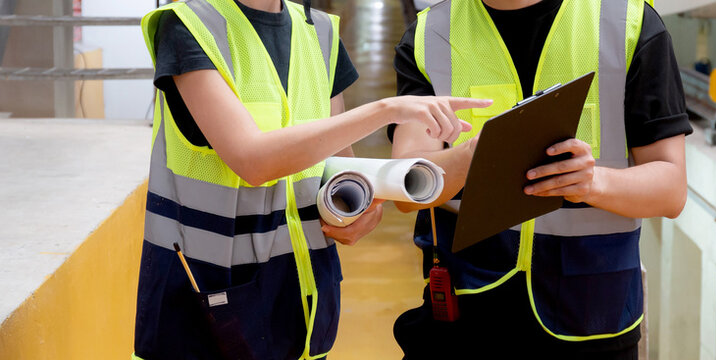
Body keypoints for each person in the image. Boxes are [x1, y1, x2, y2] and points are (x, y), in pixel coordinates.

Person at [134, 0, 490, 359]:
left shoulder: (319, 32)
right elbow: (252, 159)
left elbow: (337, 165)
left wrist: (360, 207)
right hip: (207, 303)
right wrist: (385, 110)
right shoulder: (189, 26)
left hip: (300, 299)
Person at [389, 0, 692, 359]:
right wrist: (471, 156)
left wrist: (592, 182)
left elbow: (670, 189)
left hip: (592, 317)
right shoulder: (431, 35)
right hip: (468, 314)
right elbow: (405, 192)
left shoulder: (627, 22)